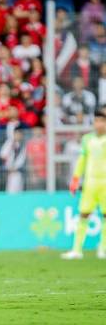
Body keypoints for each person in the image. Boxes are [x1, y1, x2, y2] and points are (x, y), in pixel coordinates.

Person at [62, 108, 106, 260]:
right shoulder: (88, 139)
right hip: (90, 183)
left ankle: (103, 248)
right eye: (97, 121)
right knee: (83, 214)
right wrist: (75, 179)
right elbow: (82, 161)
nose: (99, 124)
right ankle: (76, 250)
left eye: (102, 121)